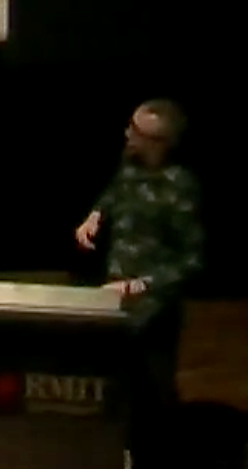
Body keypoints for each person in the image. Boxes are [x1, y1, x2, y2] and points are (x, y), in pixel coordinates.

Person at [75, 99, 203, 461]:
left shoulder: (180, 188)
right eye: (130, 124)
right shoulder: (129, 163)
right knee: (115, 389)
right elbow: (116, 190)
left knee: (154, 400)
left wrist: (137, 286)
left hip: (153, 311)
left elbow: (192, 262)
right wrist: (96, 214)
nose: (127, 133)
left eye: (137, 131)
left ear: (159, 143)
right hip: (117, 303)